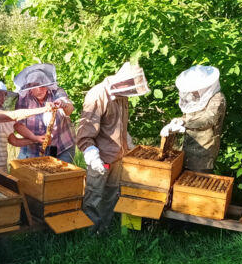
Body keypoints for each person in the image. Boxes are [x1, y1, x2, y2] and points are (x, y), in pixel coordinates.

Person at [77, 61, 149, 231]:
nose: (132, 89)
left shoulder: (122, 95)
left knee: (111, 195)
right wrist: (93, 157)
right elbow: (84, 134)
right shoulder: (97, 96)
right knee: (94, 196)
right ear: (124, 80)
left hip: (117, 156)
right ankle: (89, 236)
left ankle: (104, 230)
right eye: (131, 84)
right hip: (100, 158)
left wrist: (128, 144)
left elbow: (118, 126)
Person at [0, 80, 47, 180]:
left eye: (5, 95)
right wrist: (43, 109)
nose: (3, 99)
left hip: (1, 165)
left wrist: (36, 139)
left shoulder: (5, 117)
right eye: (0, 95)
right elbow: (14, 115)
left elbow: (14, 140)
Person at [160, 65, 226, 173]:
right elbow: (188, 116)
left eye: (195, 88)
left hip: (205, 150)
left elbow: (208, 120)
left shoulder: (218, 98)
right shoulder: (195, 97)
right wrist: (177, 121)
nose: (192, 92)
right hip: (187, 147)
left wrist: (184, 124)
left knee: (198, 182)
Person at [13, 64, 76, 163]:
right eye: (35, 86)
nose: (39, 89)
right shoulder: (23, 99)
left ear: (47, 84)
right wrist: (34, 138)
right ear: (29, 86)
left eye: (42, 85)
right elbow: (18, 124)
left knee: (60, 176)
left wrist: (63, 104)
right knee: (28, 175)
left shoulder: (57, 92)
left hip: (61, 146)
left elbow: (69, 109)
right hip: (32, 148)